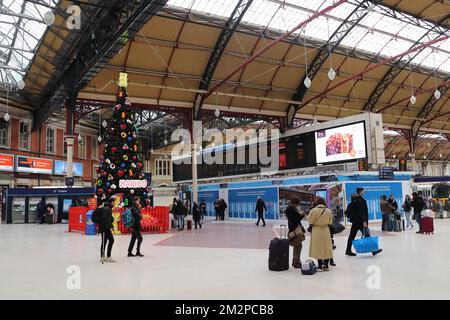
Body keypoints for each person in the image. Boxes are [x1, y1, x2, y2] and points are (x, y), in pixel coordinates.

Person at [345, 187, 382, 256]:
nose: (364, 192)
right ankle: (374, 250)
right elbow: (362, 211)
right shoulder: (360, 200)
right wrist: (364, 221)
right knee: (367, 235)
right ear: (360, 191)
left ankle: (348, 250)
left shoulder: (354, 200)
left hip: (355, 221)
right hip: (360, 222)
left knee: (351, 236)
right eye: (363, 191)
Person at [308, 197, 333, 271]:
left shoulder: (313, 211)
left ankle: (320, 266)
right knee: (326, 247)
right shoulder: (328, 211)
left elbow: (310, 221)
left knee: (318, 247)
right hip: (326, 230)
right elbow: (330, 222)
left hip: (316, 230)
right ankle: (326, 265)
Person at [285, 197, 305, 269]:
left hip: (293, 229)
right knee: (298, 245)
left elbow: (295, 218)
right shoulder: (290, 209)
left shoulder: (291, 209)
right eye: (297, 204)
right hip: (294, 230)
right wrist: (301, 215)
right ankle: (296, 261)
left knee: (296, 245)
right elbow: (295, 219)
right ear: (294, 203)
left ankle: (295, 260)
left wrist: (300, 215)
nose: (297, 205)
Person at [100, 197, 115, 263]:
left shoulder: (106, 207)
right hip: (105, 228)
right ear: (112, 202)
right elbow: (107, 219)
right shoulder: (108, 209)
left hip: (104, 227)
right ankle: (107, 257)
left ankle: (103, 257)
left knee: (104, 242)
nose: (114, 203)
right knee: (111, 240)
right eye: (114, 202)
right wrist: (111, 226)